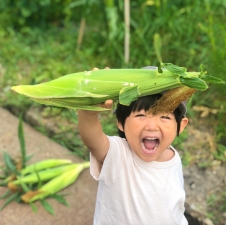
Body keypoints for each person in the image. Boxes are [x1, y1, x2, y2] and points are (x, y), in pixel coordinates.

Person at [77, 67, 189, 225]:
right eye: (141, 115)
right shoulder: (118, 154)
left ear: (180, 126)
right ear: (121, 122)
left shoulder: (172, 157)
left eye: (164, 116)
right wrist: (88, 113)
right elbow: (92, 139)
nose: (152, 126)